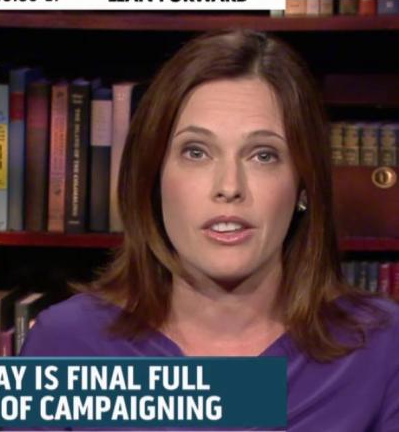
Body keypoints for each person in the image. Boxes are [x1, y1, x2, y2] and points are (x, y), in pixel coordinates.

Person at [21, 30, 399, 429]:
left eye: (263, 155)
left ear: (303, 185)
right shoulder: (64, 344)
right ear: (153, 178)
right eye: (196, 152)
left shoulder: (383, 348)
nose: (229, 187)